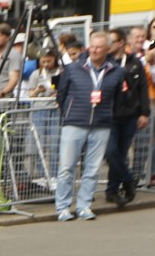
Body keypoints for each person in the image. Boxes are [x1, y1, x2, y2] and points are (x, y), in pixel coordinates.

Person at [55, 31, 124, 221]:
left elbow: (118, 98)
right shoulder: (73, 68)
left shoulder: (117, 71)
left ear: (107, 49)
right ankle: (63, 207)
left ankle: (84, 206)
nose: (94, 50)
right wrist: (68, 113)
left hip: (101, 124)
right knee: (66, 167)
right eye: (92, 46)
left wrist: (108, 115)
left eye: (99, 47)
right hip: (75, 123)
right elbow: (61, 94)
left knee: (92, 169)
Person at [103, 26, 150, 208]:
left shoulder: (134, 62)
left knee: (121, 153)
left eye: (111, 41)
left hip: (130, 115)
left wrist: (144, 112)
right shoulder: (105, 62)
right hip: (109, 115)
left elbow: (143, 88)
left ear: (121, 43)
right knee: (111, 151)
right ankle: (128, 179)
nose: (107, 45)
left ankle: (112, 191)